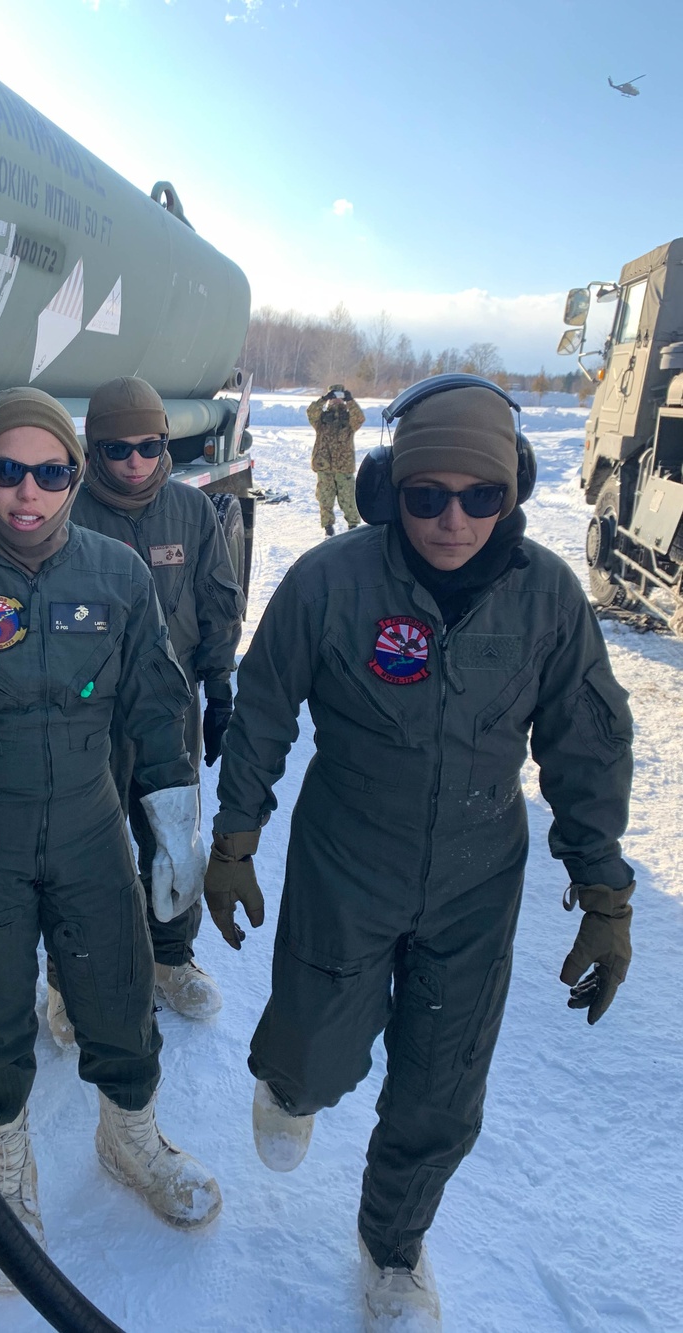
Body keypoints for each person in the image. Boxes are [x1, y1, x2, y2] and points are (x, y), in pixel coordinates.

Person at [202, 376, 634, 1331]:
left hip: (476, 883)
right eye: (426, 496)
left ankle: (392, 1248)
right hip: (346, 862)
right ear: (391, 489)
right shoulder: (333, 582)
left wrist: (604, 893)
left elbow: (586, 744)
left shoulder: (547, 599)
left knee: (443, 1086)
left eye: (482, 497)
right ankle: (293, 1086)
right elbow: (263, 707)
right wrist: (234, 839)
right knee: (314, 1048)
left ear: (513, 491)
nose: (453, 519)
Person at [0, 387, 222, 1295]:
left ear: (76, 473)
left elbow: (154, 700)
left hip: (92, 819)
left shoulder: (116, 574)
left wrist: (175, 821)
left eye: (51, 472)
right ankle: (4, 1177)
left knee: (118, 989)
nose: (28, 493)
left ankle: (130, 1140)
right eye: (5, 470)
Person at [44, 375, 244, 1037]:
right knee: (81, 847)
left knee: (172, 834)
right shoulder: (62, 513)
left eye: (150, 446)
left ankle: (171, 959)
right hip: (87, 712)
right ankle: (71, 981)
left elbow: (218, 604)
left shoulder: (190, 512)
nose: (136, 462)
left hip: (170, 705)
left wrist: (219, 694)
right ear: (93, 450)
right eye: (119, 449)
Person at [307, 383, 366, 536]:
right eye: (333, 397)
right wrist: (323, 399)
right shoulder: (322, 418)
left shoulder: (349, 418)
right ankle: (328, 527)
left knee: (348, 498)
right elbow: (310, 412)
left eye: (339, 397)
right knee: (325, 499)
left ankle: (353, 526)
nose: (336, 400)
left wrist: (350, 401)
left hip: (343, 466)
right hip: (324, 466)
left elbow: (360, 419)